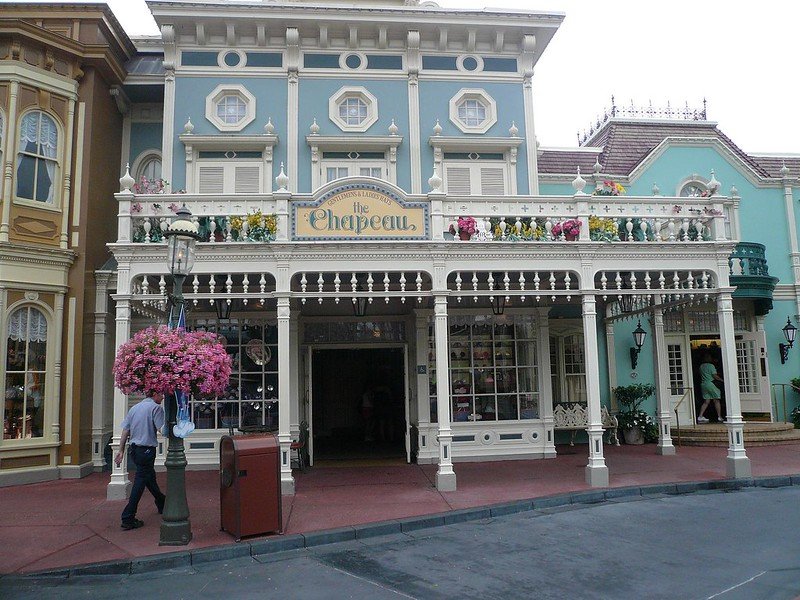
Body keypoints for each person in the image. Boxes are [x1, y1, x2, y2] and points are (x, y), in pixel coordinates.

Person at [114, 392, 166, 530]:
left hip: (134, 450)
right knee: (141, 480)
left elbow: (126, 430)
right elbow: (162, 429)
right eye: (161, 395)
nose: (163, 397)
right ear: (155, 394)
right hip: (147, 450)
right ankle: (128, 516)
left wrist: (121, 450)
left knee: (149, 477)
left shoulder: (134, 408)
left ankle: (162, 502)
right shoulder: (156, 408)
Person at [697, 354, 724, 424]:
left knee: (706, 401)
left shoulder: (701, 366)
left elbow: (700, 374)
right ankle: (719, 416)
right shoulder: (711, 366)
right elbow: (715, 376)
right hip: (711, 384)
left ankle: (700, 416)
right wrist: (722, 380)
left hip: (703, 384)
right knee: (716, 400)